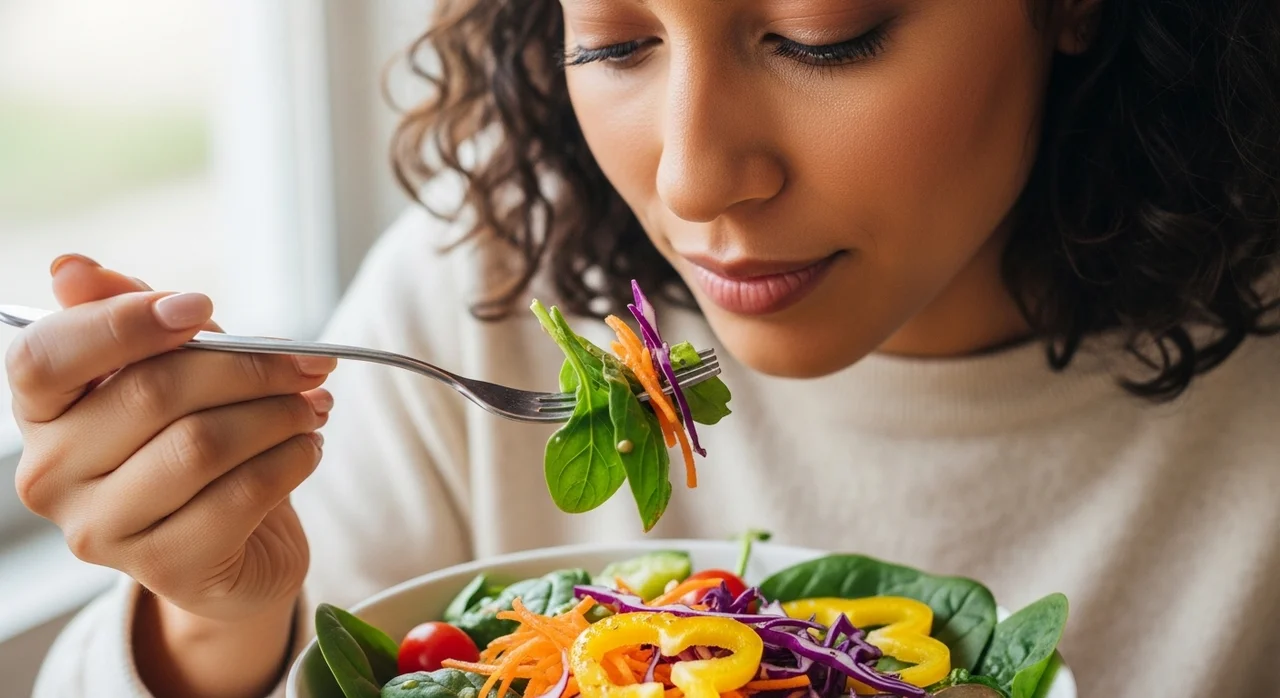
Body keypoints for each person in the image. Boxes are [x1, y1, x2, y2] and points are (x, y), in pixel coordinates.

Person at [10, 1, 1280, 696]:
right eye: (615, 42)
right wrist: (213, 622)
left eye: (818, 35)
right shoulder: (479, 290)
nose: (690, 174)